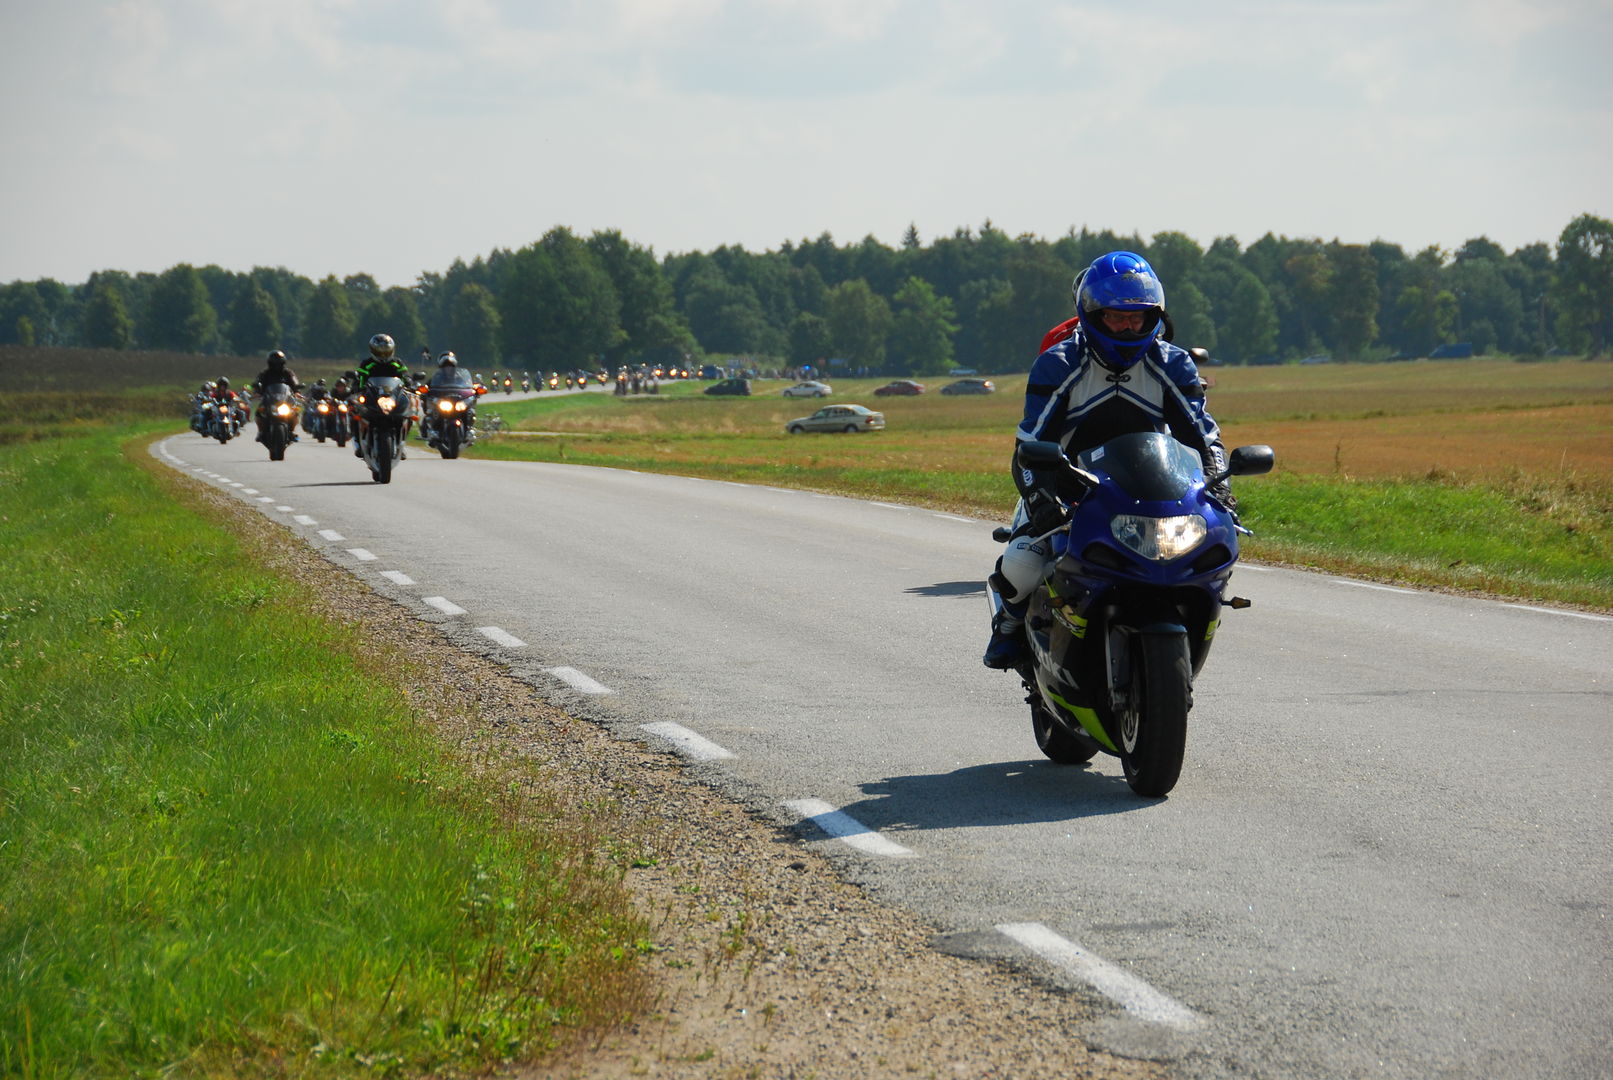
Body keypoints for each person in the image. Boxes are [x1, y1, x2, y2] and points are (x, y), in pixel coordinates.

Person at [982, 251, 1233, 669]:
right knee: (1022, 565)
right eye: (1117, 317)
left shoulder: (1173, 363)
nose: (1128, 326)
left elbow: (1204, 437)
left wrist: (1219, 488)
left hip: (1151, 492)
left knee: (1210, 553)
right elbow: (1029, 444)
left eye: (1138, 317)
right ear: (1092, 315)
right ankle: (1008, 625)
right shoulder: (1058, 364)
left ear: (1155, 315)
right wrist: (1042, 501)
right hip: (1068, 488)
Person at [353, 333, 415, 457]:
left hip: (393, 396)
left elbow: (405, 375)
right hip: (373, 395)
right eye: (379, 351)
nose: (383, 354)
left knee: (408, 414)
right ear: (373, 350)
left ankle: (400, 444)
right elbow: (360, 378)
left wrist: (409, 382)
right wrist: (357, 387)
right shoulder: (367, 363)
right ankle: (358, 443)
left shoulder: (397, 362)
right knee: (355, 412)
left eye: (386, 351)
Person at [250, 351, 303, 443]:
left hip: (285, 399)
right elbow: (258, 382)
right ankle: (261, 431)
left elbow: (294, 382)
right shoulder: (265, 373)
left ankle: (292, 431)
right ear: (270, 363)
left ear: (283, 362)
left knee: (295, 412)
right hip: (268, 399)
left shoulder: (288, 373)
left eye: (279, 362)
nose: (276, 365)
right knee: (259, 412)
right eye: (274, 363)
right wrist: (257, 391)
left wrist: (297, 391)